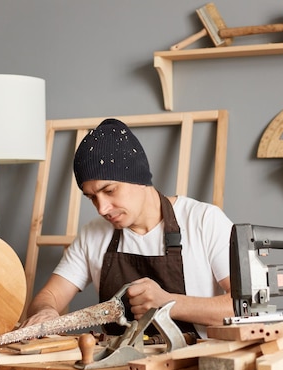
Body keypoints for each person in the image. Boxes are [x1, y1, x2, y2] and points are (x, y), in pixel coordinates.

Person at [23, 118, 234, 339]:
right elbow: (48, 296)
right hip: (115, 367)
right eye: (92, 197)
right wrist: (45, 312)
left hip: (191, 366)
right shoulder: (93, 234)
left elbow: (242, 306)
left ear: (139, 178)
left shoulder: (204, 221)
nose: (102, 208)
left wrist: (167, 303)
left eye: (110, 190)